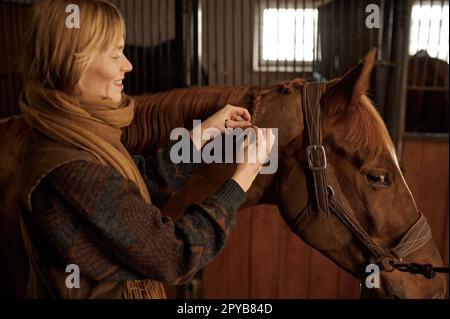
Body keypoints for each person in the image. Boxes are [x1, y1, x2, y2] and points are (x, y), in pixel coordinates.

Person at [12, 0, 274, 298]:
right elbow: (175, 256)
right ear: (73, 64)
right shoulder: (70, 169)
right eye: (114, 54)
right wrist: (242, 179)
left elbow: (136, 185)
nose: (128, 64)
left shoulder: (78, 136)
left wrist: (204, 133)